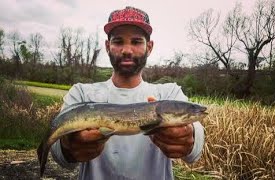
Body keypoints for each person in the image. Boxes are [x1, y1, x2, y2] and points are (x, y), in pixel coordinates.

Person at [51, 6, 204, 180]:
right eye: (118, 41)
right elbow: (60, 157)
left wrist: (190, 136)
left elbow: (195, 148)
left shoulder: (169, 92)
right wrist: (67, 146)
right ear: (108, 46)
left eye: (136, 41)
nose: (127, 50)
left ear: (150, 47)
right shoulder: (81, 93)